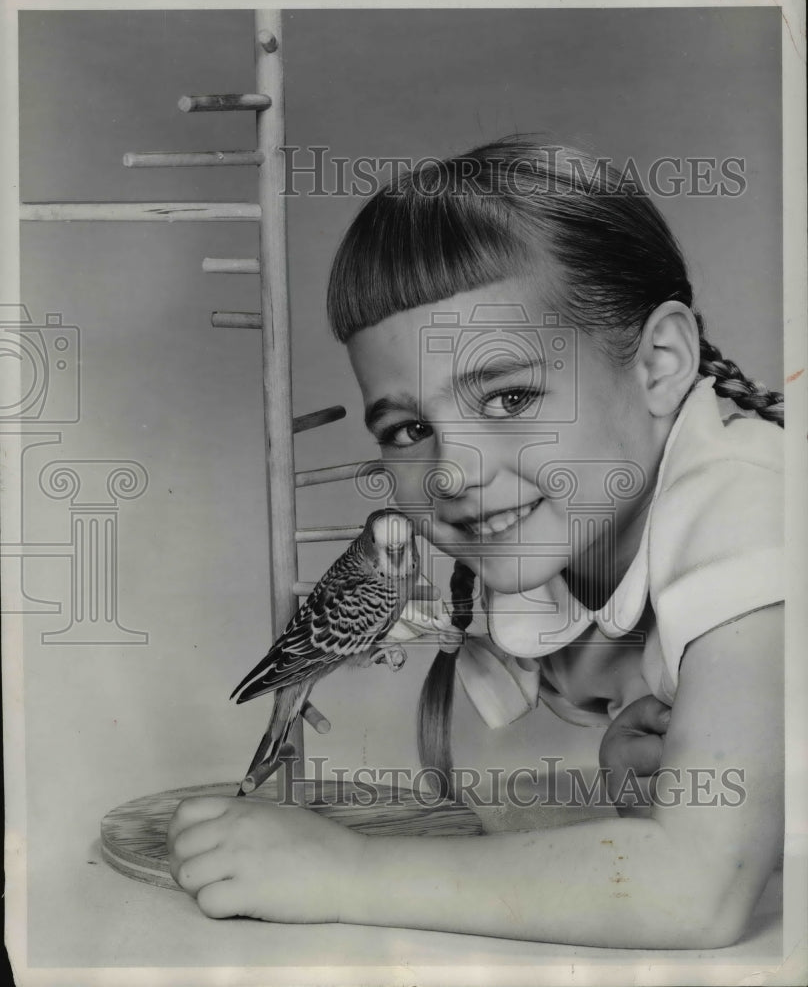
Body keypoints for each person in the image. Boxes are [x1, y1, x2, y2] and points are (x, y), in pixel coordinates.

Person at [167, 137, 784, 948]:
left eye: (509, 397)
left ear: (660, 363)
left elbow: (698, 889)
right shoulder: (570, 551)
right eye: (410, 426)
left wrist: (343, 871)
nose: (451, 473)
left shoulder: (751, 500)